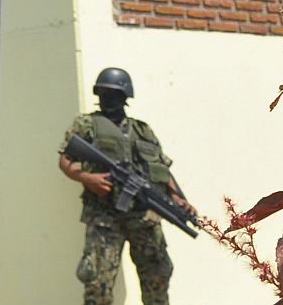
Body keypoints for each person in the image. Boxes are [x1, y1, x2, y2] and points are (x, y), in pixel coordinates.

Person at [58, 67, 188, 305]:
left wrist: (179, 198)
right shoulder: (87, 124)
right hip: (104, 217)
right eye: (104, 92)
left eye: (114, 92)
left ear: (125, 95)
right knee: (98, 283)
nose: (108, 97)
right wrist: (89, 179)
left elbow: (162, 168)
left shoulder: (142, 130)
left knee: (157, 277)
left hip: (144, 216)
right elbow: (66, 160)